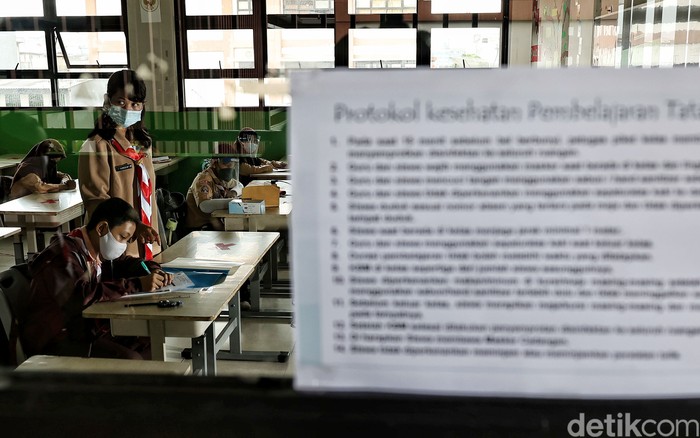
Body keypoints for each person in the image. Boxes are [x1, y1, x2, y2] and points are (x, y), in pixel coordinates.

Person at [20, 197, 173, 360]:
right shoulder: (63, 255)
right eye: (122, 237)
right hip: (57, 338)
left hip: (84, 328)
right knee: (131, 359)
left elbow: (127, 263)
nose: (124, 245)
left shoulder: (97, 250)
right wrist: (136, 284)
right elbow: (80, 295)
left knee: (151, 342)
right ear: (102, 228)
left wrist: (154, 270)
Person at [78, 69, 160, 260]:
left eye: (135, 103)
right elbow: (96, 201)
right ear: (108, 101)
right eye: (121, 102)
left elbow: (148, 194)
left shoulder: (141, 142)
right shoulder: (95, 145)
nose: (127, 109)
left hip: (147, 240)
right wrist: (134, 225)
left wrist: (146, 228)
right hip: (115, 244)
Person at [185, 152, 244, 231]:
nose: (229, 167)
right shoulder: (204, 179)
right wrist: (232, 202)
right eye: (225, 164)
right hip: (199, 228)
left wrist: (234, 192)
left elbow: (239, 185)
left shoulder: (220, 178)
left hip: (213, 222)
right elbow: (204, 205)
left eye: (231, 164)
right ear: (214, 163)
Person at [9, 138, 76, 200]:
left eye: (56, 162)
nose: (53, 165)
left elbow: (63, 175)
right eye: (52, 161)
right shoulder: (28, 170)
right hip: (18, 206)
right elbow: (42, 188)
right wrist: (65, 186)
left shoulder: (43, 169)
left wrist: (66, 181)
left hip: (33, 202)